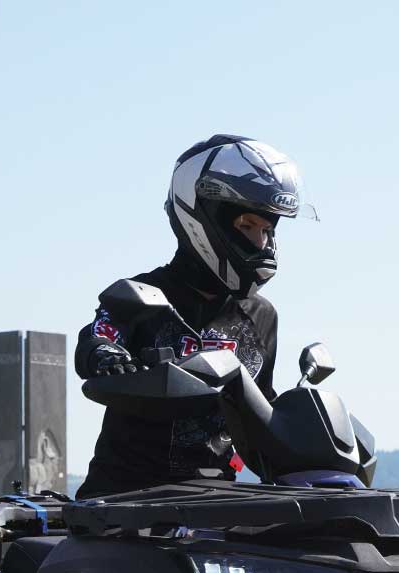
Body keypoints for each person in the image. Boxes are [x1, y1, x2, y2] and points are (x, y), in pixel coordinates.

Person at [72, 134, 305, 498]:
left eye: (267, 229)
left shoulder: (262, 317)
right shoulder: (138, 294)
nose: (260, 243)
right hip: (125, 501)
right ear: (203, 216)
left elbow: (261, 415)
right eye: (247, 225)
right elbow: (98, 338)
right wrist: (106, 356)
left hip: (215, 503)